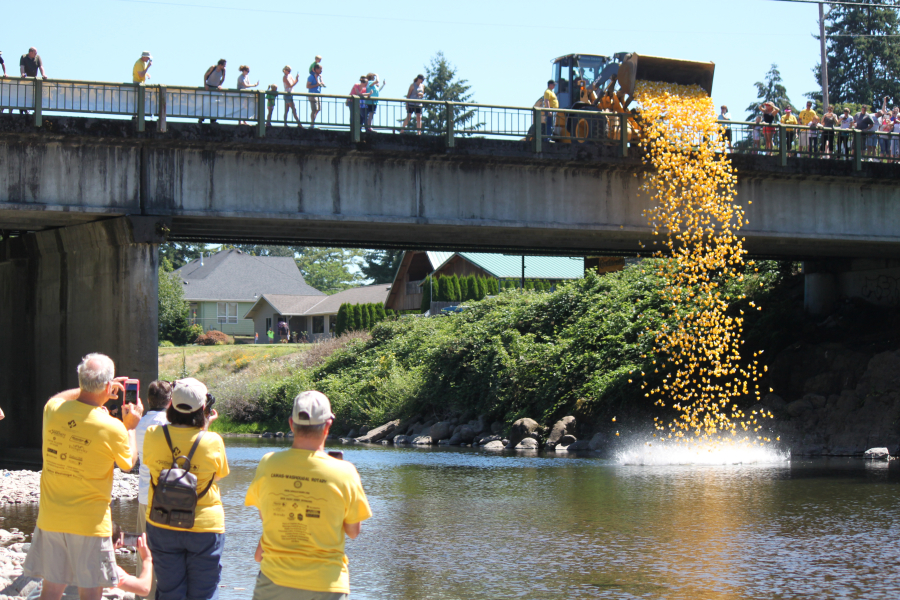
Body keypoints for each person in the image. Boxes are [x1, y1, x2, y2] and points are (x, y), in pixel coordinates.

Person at [22, 353, 143, 600]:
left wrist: (87, 387)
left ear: (81, 381)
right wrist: (130, 427)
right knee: (91, 593)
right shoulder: (113, 427)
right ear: (110, 387)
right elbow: (129, 463)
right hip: (90, 523)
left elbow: (56, 398)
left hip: (51, 517)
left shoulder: (53, 410)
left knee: (51, 590)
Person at [245, 391, 372, 600]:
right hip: (327, 584)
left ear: (291, 424)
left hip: (274, 580)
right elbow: (353, 531)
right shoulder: (345, 472)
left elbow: (266, 516)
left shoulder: (268, 464)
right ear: (328, 424)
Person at [143, 378, 229, 600]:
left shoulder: (153, 433)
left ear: (170, 404)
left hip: (162, 520)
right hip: (204, 525)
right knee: (204, 593)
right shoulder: (213, 440)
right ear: (203, 409)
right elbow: (216, 476)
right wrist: (205, 429)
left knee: (170, 592)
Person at [134, 380, 172, 600]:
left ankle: (143, 592)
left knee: (143, 545)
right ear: (170, 401)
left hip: (144, 494)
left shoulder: (139, 423)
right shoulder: (170, 424)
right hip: (167, 494)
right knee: (167, 548)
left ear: (148, 400)